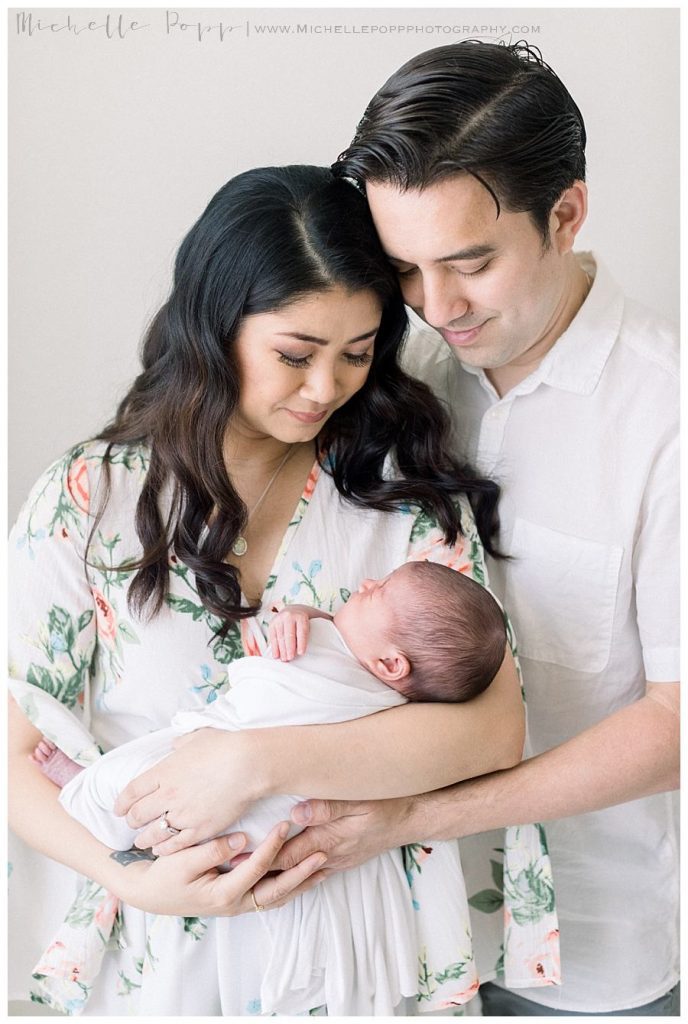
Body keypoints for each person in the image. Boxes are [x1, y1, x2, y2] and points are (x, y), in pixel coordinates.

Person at [8, 164, 557, 1016]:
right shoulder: (92, 499)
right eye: (294, 355)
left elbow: (493, 730)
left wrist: (254, 760)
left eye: (358, 354)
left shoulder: (400, 502)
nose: (324, 388)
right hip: (162, 956)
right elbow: (11, 753)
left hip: (365, 956)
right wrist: (133, 880)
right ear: (214, 326)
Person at [270, 41, 676, 1016]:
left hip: (586, 961)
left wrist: (411, 815)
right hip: (385, 937)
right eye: (406, 268)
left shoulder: (667, 417)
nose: (436, 306)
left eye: (470, 263)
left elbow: (675, 725)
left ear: (566, 215)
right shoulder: (385, 371)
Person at [27, 561, 507, 1015]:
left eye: (378, 592)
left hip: (284, 801)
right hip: (197, 797)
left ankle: (114, 804)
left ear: (391, 665)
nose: (363, 584)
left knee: (225, 809)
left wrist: (256, 761)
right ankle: (113, 810)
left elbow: (483, 739)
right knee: (160, 777)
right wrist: (303, 616)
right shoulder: (358, 651)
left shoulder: (379, 702)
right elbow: (328, 638)